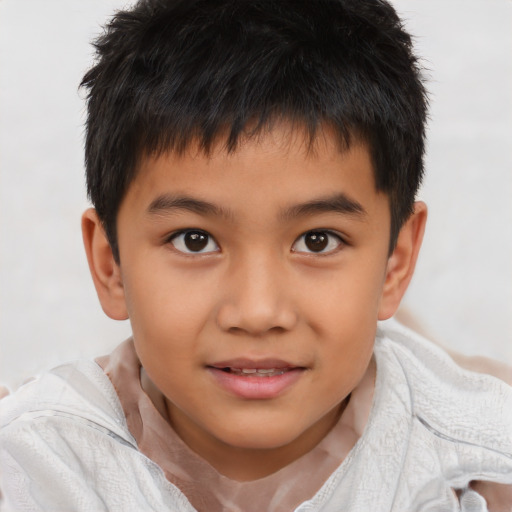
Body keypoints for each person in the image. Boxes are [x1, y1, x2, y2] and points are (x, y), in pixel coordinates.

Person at [1, 0, 511, 510]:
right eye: (194, 240)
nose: (258, 312)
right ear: (110, 263)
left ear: (395, 262)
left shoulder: (483, 468)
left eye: (318, 240)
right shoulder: (31, 468)